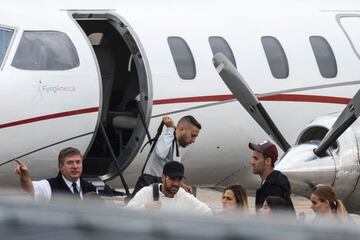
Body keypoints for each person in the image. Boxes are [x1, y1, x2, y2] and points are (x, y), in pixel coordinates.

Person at [133, 115, 201, 195]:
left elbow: (172, 170)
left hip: (161, 185)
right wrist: (170, 129)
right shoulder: (166, 138)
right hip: (150, 183)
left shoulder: (176, 145)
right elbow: (161, 153)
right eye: (193, 136)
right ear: (182, 129)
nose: (193, 140)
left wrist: (182, 185)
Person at [126, 161, 212, 215]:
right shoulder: (147, 193)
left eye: (179, 179)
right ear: (163, 178)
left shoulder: (183, 196)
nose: (176, 183)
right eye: (172, 178)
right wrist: (145, 208)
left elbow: (207, 212)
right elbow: (126, 215)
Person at [15, 147, 97, 202]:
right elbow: (30, 188)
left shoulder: (91, 189)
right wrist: (24, 176)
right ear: (60, 166)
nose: (75, 166)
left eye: (78, 162)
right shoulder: (49, 186)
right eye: (70, 163)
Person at [249, 140, 295, 213]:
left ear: (268, 161)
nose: (252, 162)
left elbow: (274, 220)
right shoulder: (270, 184)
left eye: (256, 158)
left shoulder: (274, 188)